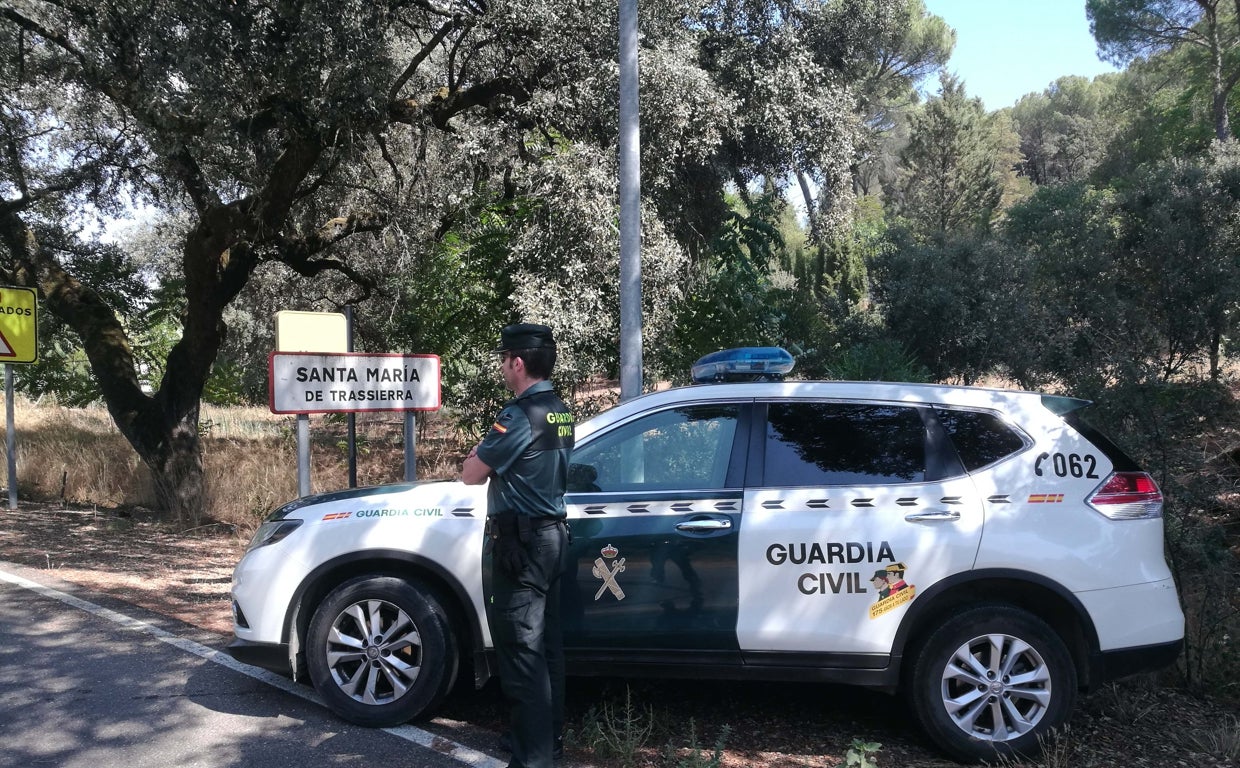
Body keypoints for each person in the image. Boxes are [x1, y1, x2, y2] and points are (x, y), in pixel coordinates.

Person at [461, 323, 574, 768]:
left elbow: (471, 473)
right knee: (548, 651)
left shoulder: (518, 415)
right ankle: (549, 744)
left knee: (521, 656)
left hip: (521, 546)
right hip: (551, 539)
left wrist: (478, 457)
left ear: (518, 363)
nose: (502, 366)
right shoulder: (560, 410)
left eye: (504, 359)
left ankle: (533, 760)